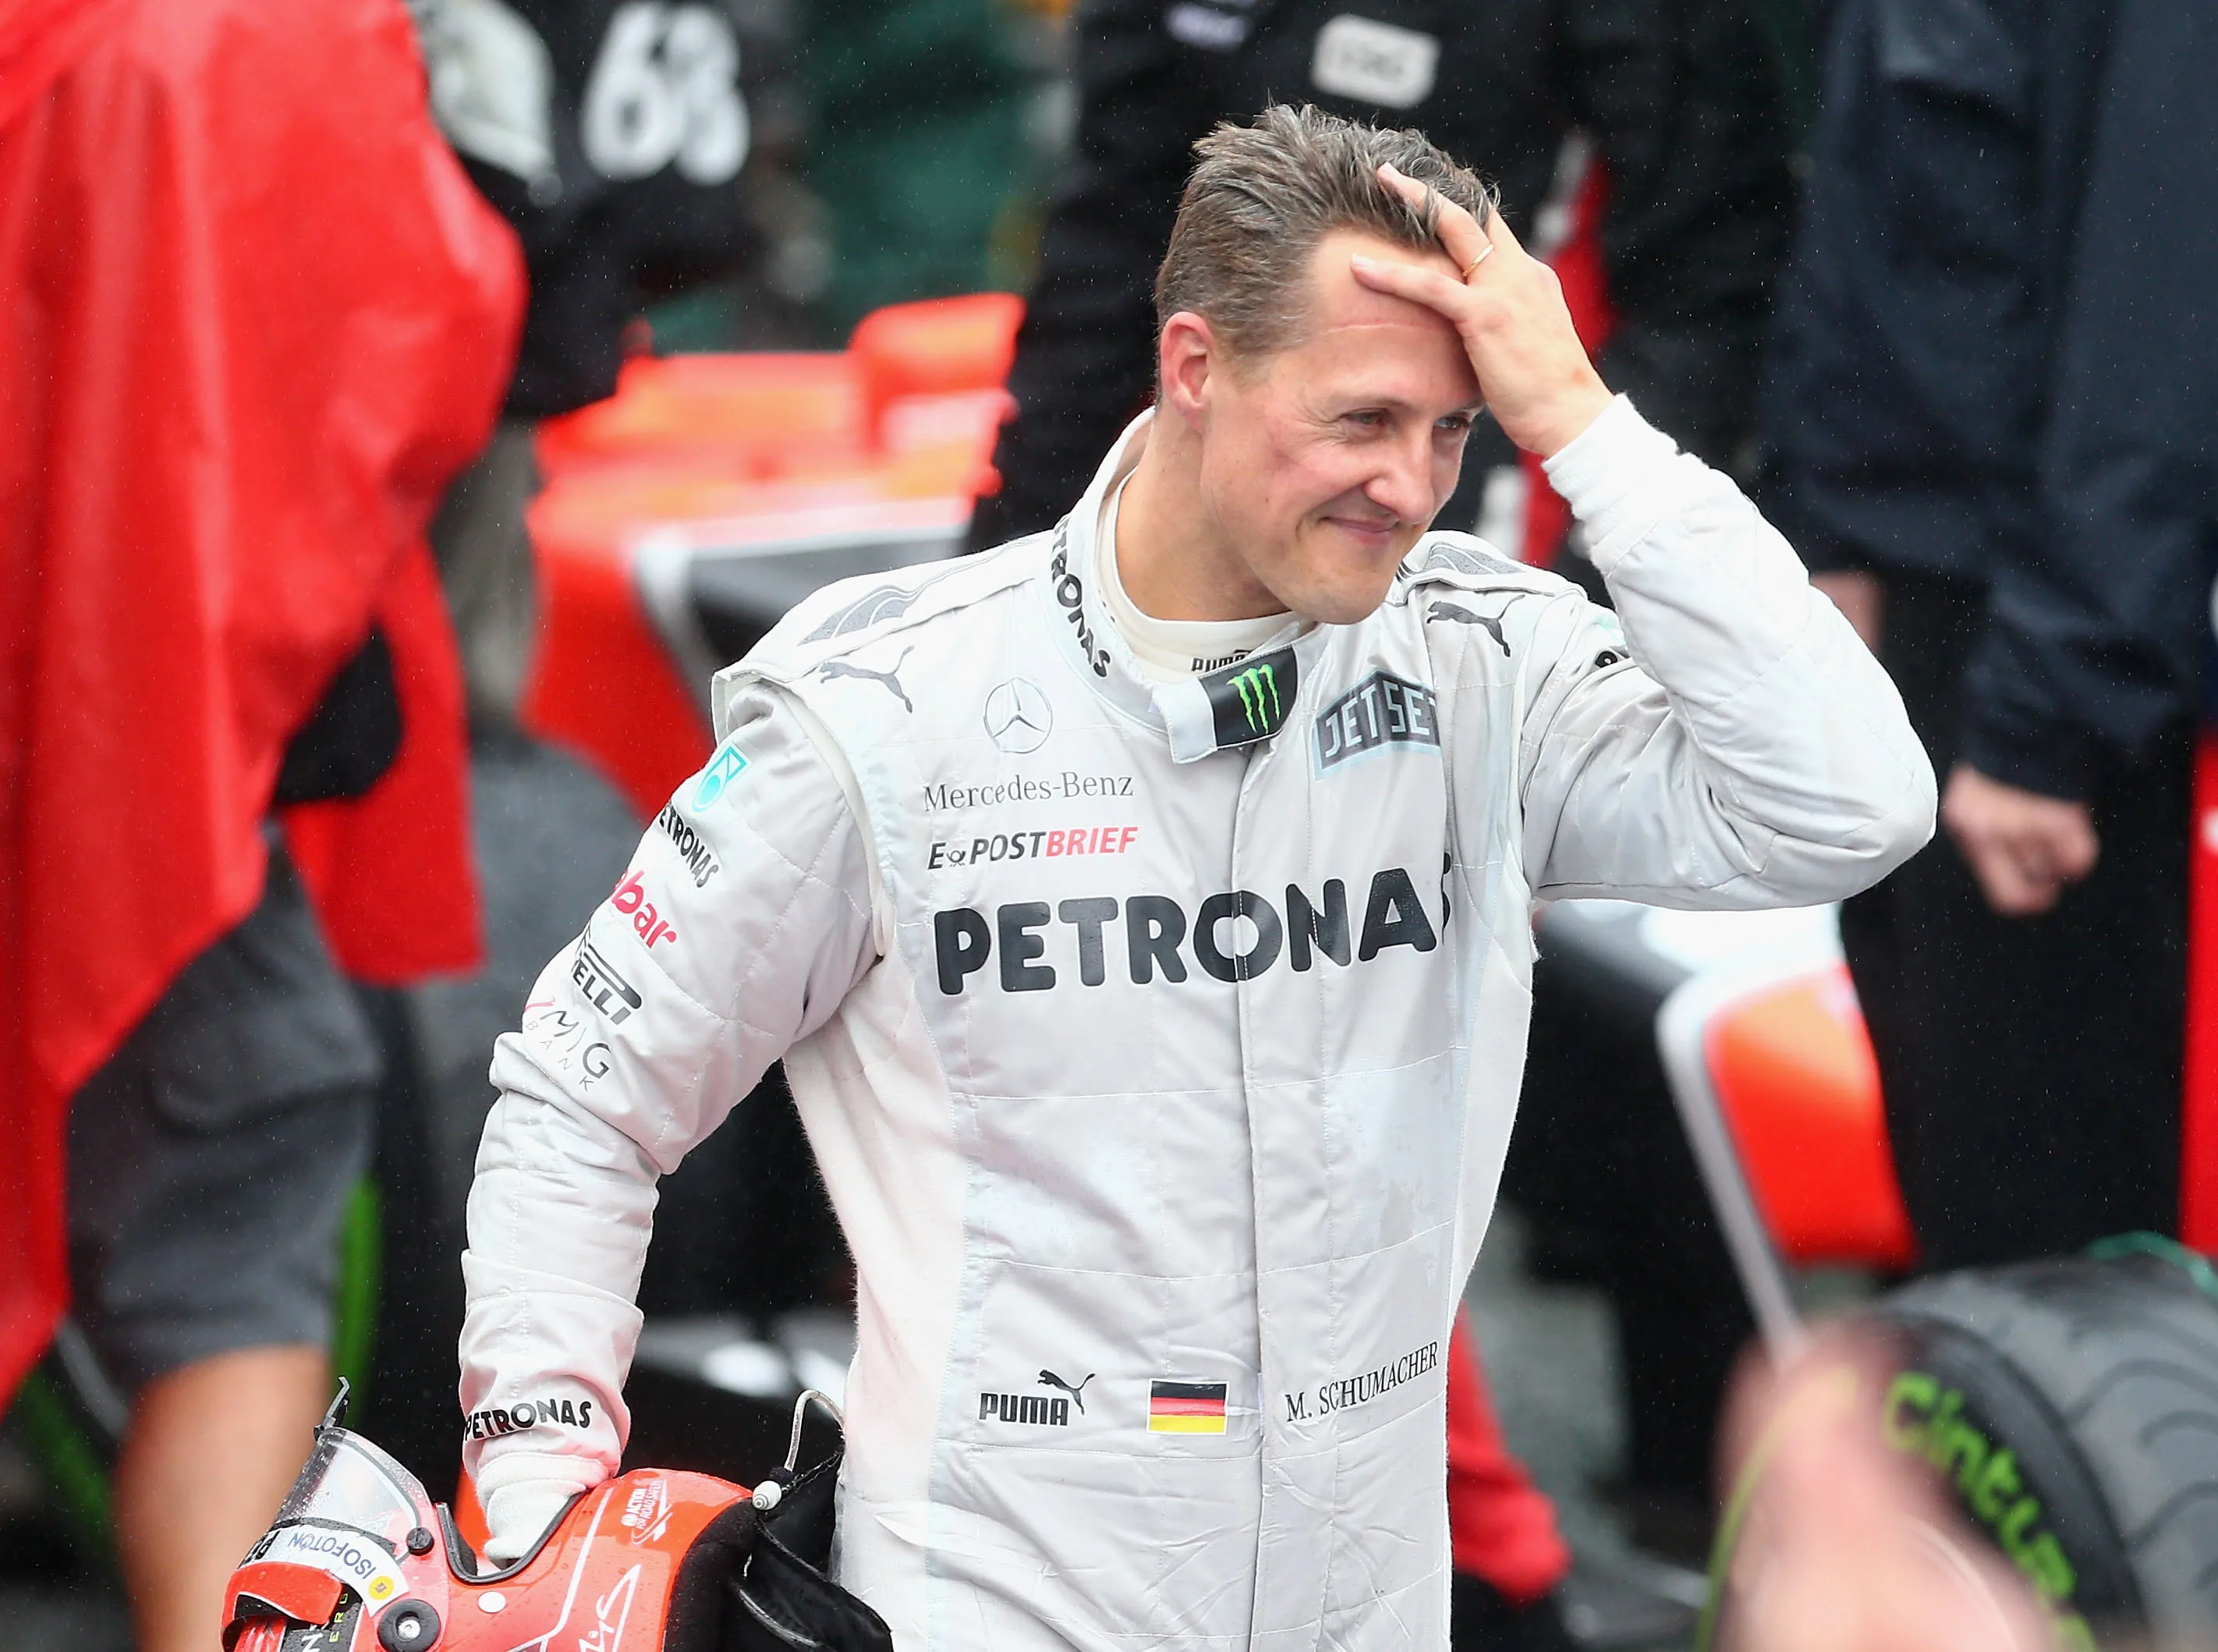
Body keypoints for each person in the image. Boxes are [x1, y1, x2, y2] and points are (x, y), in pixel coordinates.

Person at [461, 106, 1933, 1647]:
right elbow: (583, 1096)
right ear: (1193, 367)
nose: (1412, 486)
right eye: (1362, 420)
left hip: (1365, 1606)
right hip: (992, 1601)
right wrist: (546, 1506)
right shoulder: (890, 706)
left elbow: (1855, 802)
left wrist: (1586, 425)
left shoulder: (1485, 668)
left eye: (1454, 430)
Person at [0, 2, 521, 1647]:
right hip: (130, 743)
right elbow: (432, 323)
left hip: (121, 723)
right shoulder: (274, 36)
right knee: (238, 1212)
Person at [1759, 0, 2218, 1268]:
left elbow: (2178, 341)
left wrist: (2046, 722)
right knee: (1961, 1206)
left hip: (2078, 675)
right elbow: (1883, 224)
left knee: (2063, 1256)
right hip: (1939, 621)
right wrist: (1830, 537)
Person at [967, 0, 1795, 552]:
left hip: (1490, 520)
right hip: (1222, 509)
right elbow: (1106, 258)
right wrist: (1015, 542)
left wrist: (1597, 581)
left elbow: (1709, 288)